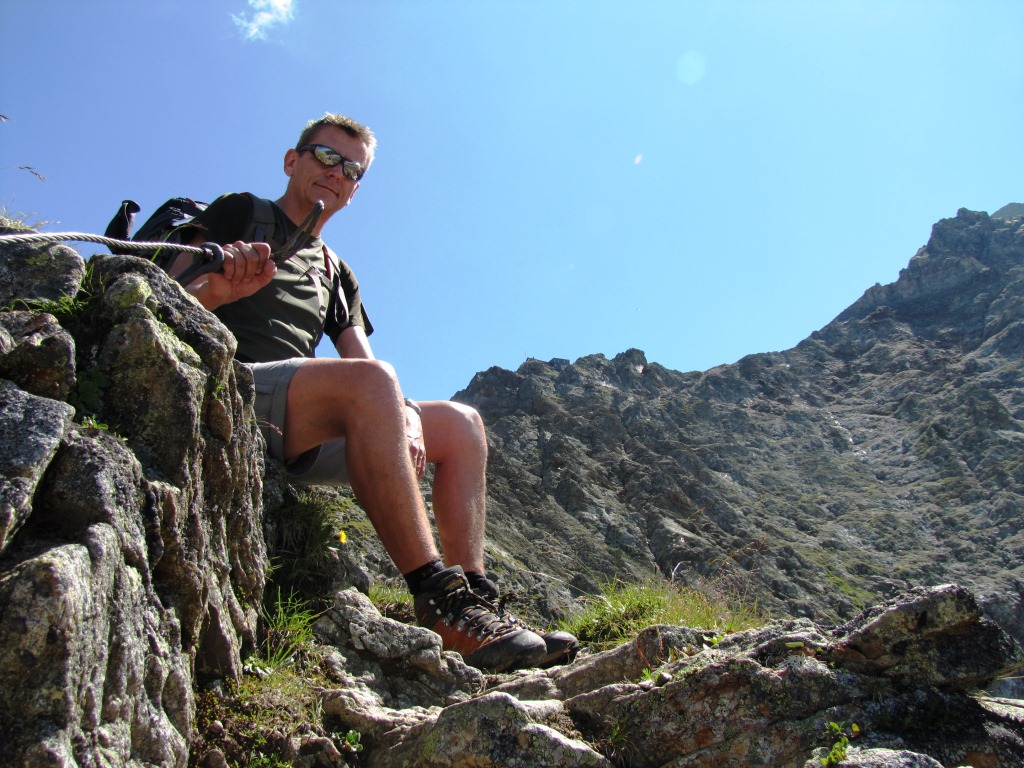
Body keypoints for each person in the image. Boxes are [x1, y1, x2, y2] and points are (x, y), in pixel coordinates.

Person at [165, 113, 577, 673]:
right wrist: (216, 290)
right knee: (381, 386)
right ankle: (436, 598)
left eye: (353, 170)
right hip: (227, 387)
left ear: (355, 190)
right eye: (325, 156)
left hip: (295, 420)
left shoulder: (336, 272)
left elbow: (363, 364)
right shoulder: (243, 212)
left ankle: (476, 604)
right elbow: (166, 297)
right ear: (292, 161)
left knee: (462, 425)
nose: (338, 173)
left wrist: (404, 415)